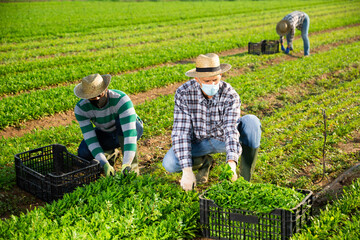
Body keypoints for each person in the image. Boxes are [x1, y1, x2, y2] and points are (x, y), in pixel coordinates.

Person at [162, 53, 261, 191]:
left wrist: (231, 163)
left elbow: (230, 129)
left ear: (220, 76)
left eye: (215, 79)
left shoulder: (230, 94)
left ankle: (244, 179)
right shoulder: (184, 93)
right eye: (207, 81)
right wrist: (187, 171)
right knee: (170, 163)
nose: (212, 84)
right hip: (198, 142)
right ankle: (204, 162)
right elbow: (181, 133)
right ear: (197, 79)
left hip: (222, 140)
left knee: (251, 122)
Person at [74, 73, 143, 177]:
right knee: (83, 152)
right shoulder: (81, 109)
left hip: (131, 129)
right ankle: (110, 156)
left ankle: (132, 170)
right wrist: (103, 163)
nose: (97, 99)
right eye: (92, 97)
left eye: (99, 94)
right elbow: (90, 139)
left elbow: (130, 134)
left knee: (121, 123)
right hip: (106, 131)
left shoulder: (121, 100)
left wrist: (127, 163)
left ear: (105, 89)